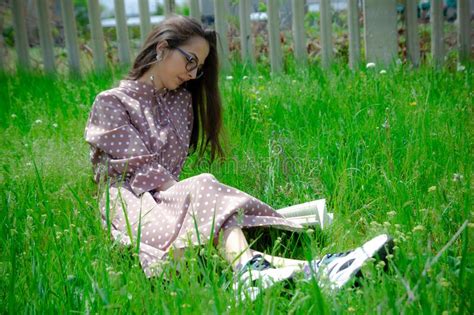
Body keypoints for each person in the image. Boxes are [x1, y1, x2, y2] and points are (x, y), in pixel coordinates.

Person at [84, 15, 392, 300]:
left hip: (169, 200)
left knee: (213, 213)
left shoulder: (180, 102)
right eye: (190, 61)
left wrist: (202, 202)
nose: (192, 75)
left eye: (198, 68)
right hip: (132, 206)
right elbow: (144, 173)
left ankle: (308, 270)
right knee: (206, 193)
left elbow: (172, 178)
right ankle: (309, 268)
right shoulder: (112, 102)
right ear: (163, 48)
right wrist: (208, 200)